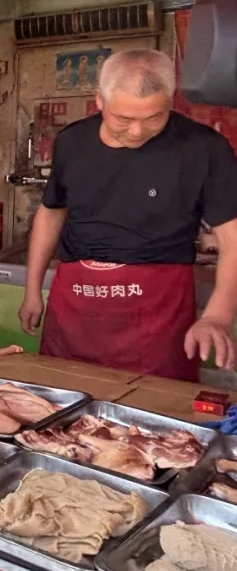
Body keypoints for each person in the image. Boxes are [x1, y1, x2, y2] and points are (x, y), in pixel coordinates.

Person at [19, 49, 237, 379]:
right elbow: (51, 213)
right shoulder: (73, 142)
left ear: (171, 101)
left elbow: (232, 237)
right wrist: (32, 290)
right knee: (63, 400)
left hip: (157, 308)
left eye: (153, 118)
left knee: (151, 414)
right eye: (123, 119)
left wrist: (219, 314)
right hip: (75, 300)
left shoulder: (203, 148)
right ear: (100, 101)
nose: (137, 131)